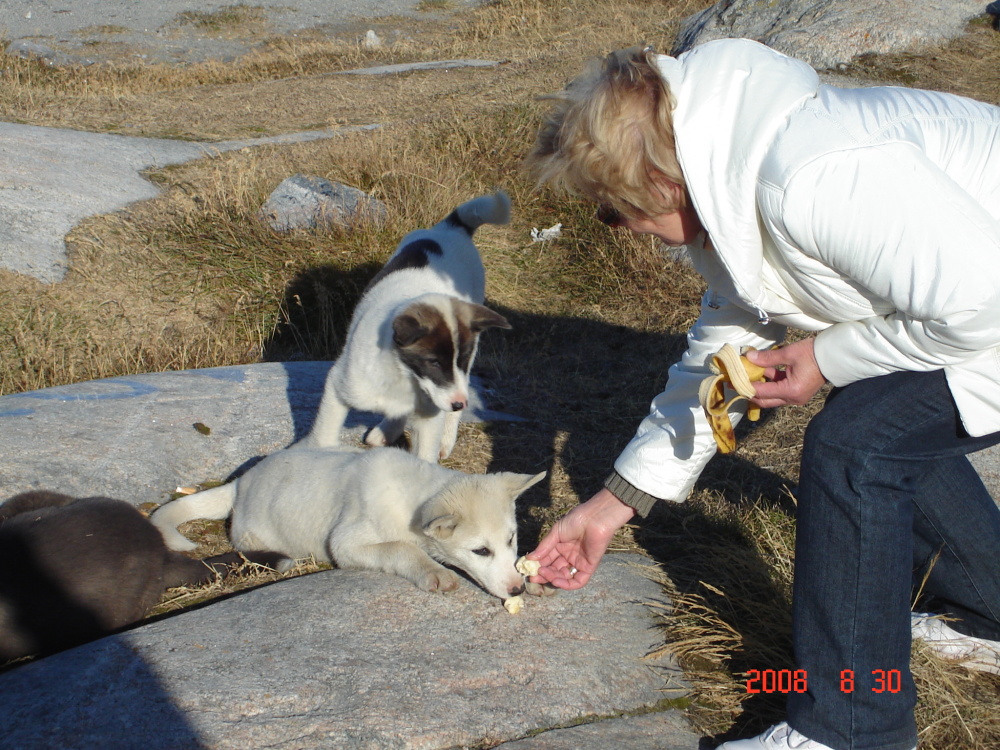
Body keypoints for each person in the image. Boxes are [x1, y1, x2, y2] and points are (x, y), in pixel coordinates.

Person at [521, 39, 1000, 750]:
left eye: (611, 210)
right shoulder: (732, 191)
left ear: (658, 180)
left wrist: (828, 356)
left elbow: (982, 305)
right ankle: (989, 614)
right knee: (877, 413)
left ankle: (853, 729)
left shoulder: (808, 175)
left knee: (858, 444)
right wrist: (610, 505)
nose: (616, 230)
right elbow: (718, 366)